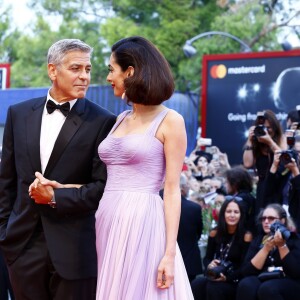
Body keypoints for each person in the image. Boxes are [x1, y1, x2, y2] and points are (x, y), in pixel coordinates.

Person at [32, 36, 194, 299]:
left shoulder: (170, 120)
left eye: (110, 69)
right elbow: (110, 181)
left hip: (142, 223)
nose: (107, 78)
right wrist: (62, 188)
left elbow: (173, 190)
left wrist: (169, 254)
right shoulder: (120, 119)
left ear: (129, 72)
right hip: (107, 221)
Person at [0, 39, 116, 299]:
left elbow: (102, 188)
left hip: (74, 250)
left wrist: (55, 197)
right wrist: (5, 235)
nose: (84, 76)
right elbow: (6, 181)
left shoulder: (103, 121)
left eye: (88, 69)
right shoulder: (18, 114)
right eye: (76, 68)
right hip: (22, 248)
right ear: (53, 70)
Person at [191, 197, 252, 300]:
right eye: (228, 211)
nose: (232, 215)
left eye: (236, 212)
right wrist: (209, 265)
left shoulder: (246, 236)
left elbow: (244, 267)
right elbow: (207, 258)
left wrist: (227, 278)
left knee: (213, 287)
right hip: (215, 275)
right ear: (223, 214)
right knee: (197, 283)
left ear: (241, 215)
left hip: (234, 279)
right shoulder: (215, 233)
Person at [236, 203, 300, 300]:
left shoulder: (293, 239)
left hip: (288, 280)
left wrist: (281, 245)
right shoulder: (258, 240)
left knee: (268, 289)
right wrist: (265, 249)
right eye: (263, 218)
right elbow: (246, 271)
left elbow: (295, 272)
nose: (266, 221)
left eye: (271, 218)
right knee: (246, 284)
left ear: (282, 220)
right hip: (264, 276)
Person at [243, 110, 286, 214]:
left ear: (275, 128)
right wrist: (250, 140)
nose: (266, 131)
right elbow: (247, 163)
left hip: (279, 184)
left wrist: (269, 142)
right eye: (263, 127)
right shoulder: (256, 142)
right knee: (262, 215)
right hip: (263, 185)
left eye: (269, 127)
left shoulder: (281, 138)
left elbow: (284, 157)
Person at [177, 174, 203, 282]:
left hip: (155, 261)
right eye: (187, 184)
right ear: (182, 187)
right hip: (187, 263)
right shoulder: (194, 208)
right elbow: (198, 234)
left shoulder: (155, 202)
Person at [224, 165, 256, 232]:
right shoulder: (246, 195)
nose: (225, 185)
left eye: (227, 182)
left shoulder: (242, 198)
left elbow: (241, 220)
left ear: (235, 183)